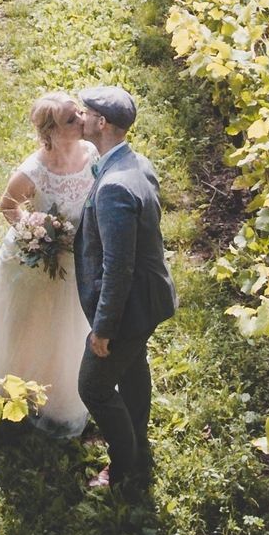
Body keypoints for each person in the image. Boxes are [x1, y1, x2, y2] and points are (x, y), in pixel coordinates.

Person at [0, 93, 98, 434]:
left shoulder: (92, 153)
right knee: (31, 323)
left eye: (79, 112)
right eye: (71, 119)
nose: (82, 120)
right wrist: (37, 231)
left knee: (67, 327)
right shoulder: (33, 171)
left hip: (76, 259)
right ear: (50, 133)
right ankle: (18, 387)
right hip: (40, 261)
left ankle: (60, 391)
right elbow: (9, 206)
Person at [72, 85, 176, 499]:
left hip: (128, 306)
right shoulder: (136, 162)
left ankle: (124, 469)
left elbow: (118, 267)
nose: (80, 117)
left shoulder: (115, 186)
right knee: (132, 370)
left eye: (86, 112)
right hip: (149, 298)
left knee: (93, 388)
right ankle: (139, 448)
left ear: (102, 123)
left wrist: (102, 329)